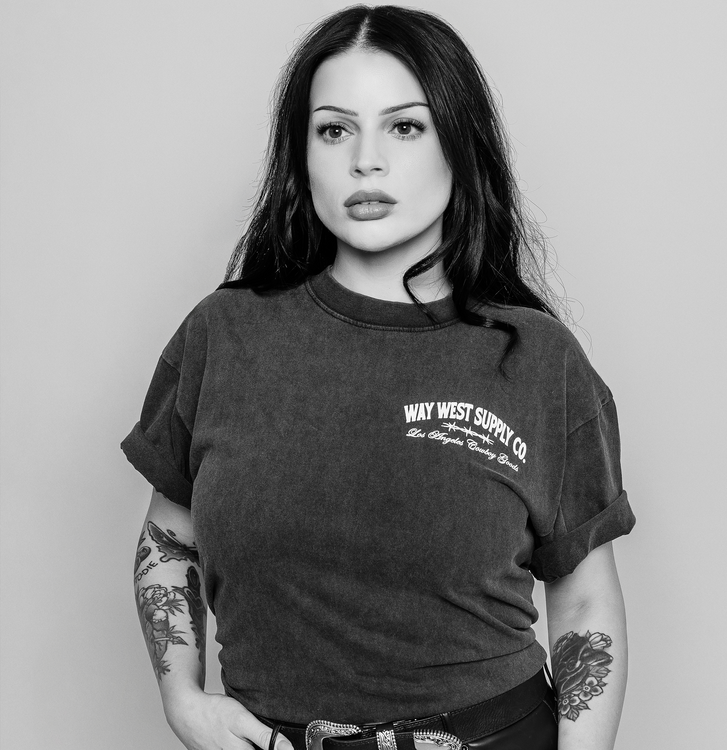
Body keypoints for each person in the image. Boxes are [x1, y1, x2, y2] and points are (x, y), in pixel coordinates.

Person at [122, 5, 636, 750]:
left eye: (405, 127)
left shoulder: (539, 360)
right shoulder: (222, 336)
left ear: (459, 145)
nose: (367, 161)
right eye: (335, 130)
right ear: (301, 155)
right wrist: (183, 701)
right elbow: (169, 538)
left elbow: (585, 601)